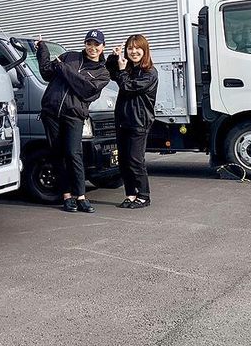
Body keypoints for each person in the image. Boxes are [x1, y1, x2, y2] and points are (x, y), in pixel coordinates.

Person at [37, 29, 110, 213]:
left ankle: (81, 196)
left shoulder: (103, 72)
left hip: (74, 115)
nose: (92, 47)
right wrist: (42, 50)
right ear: (85, 44)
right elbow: (47, 73)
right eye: (89, 43)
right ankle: (67, 196)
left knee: (73, 153)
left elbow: (86, 89)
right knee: (58, 154)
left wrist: (63, 68)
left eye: (96, 44)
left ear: (103, 46)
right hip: (51, 112)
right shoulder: (70, 56)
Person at [106, 34, 159, 209]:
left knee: (135, 159)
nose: (134, 51)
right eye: (130, 48)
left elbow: (128, 87)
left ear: (145, 50)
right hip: (122, 120)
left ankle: (143, 196)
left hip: (139, 122)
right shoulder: (128, 69)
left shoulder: (150, 73)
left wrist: (122, 71)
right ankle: (130, 194)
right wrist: (114, 56)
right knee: (123, 160)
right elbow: (110, 72)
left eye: (137, 48)